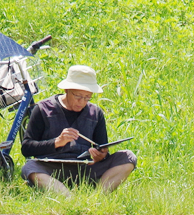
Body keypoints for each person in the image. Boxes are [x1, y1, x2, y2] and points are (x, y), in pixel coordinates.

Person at [20, 65, 137, 198]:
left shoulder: (96, 113)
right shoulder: (43, 109)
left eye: (87, 97)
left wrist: (100, 157)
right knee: (29, 168)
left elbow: (102, 149)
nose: (82, 102)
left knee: (128, 157)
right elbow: (27, 148)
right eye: (78, 96)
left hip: (85, 169)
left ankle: (97, 198)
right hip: (51, 169)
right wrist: (57, 142)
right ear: (66, 90)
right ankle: (68, 198)